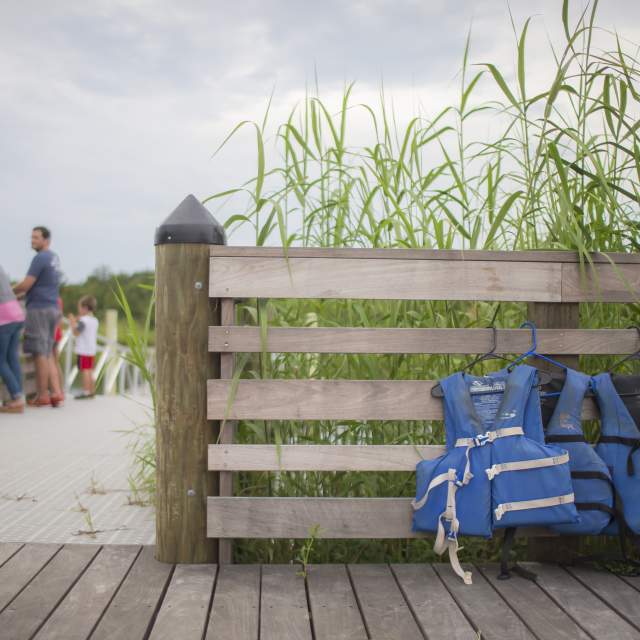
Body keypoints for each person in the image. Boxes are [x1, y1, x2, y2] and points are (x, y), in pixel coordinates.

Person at [13, 226, 64, 407]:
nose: (32, 240)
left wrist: (8, 293)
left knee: (39, 352)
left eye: (36, 237)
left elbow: (27, 284)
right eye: (32, 237)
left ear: (46, 240)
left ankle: (42, 395)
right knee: (49, 351)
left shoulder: (40, 258)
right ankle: (57, 392)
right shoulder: (53, 258)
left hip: (39, 309)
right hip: (52, 307)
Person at [0, 266, 26, 413]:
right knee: (12, 357)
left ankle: (16, 396)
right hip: (16, 313)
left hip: (4, 317)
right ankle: (19, 397)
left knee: (0, 360)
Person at [68, 295, 99, 399]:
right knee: (90, 370)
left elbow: (76, 332)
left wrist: (72, 322)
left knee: (85, 370)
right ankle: (91, 390)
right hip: (91, 350)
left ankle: (86, 391)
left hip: (83, 350)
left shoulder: (83, 321)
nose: (79, 310)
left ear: (85, 308)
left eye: (80, 308)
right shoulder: (94, 320)